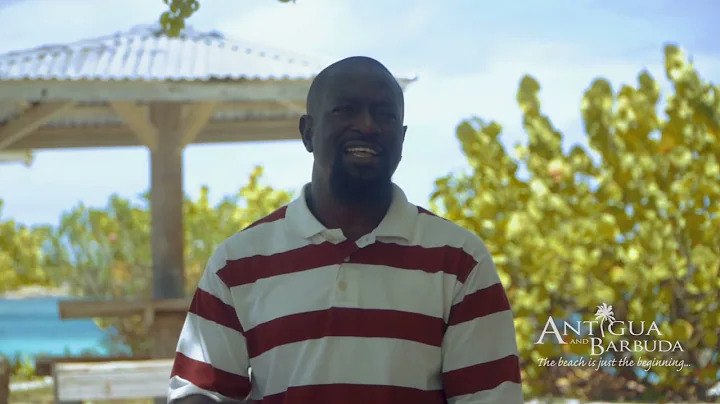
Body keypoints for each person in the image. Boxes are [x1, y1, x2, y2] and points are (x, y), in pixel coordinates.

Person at [167, 56, 523, 404]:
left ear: (401, 139)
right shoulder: (237, 263)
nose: (368, 125)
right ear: (308, 133)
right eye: (346, 110)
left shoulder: (459, 261)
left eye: (384, 114)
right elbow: (200, 393)